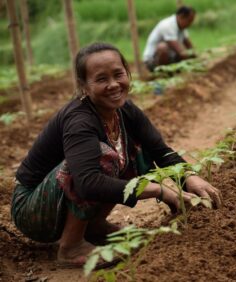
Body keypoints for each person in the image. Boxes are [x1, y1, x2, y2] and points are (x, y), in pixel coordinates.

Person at [11, 42, 222, 268]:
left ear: (127, 74)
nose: (113, 85)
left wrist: (189, 177)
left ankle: (94, 226)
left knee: (136, 152)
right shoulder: (79, 121)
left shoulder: (125, 110)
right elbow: (87, 184)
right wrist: (159, 190)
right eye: (101, 79)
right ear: (84, 86)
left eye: (118, 74)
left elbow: (159, 150)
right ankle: (71, 247)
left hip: (58, 201)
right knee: (103, 156)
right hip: (33, 210)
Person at [143, 6, 196, 72]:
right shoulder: (167, 25)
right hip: (152, 61)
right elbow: (181, 51)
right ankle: (161, 73)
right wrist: (194, 64)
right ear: (181, 16)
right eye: (189, 21)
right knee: (163, 47)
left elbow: (189, 46)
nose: (190, 24)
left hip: (170, 58)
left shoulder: (182, 28)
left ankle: (170, 71)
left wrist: (197, 56)